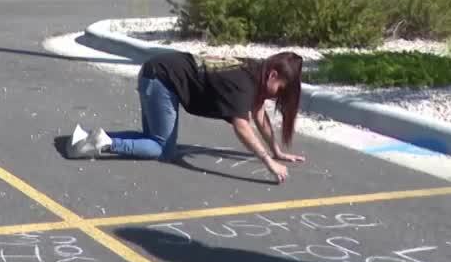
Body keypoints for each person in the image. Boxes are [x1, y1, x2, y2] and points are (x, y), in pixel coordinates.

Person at [68, 50, 306, 184]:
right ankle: (105, 144)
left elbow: (258, 112)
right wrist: (269, 162)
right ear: (273, 75)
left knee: (152, 139)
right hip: (162, 80)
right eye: (281, 89)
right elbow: (242, 126)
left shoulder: (255, 71)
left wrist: (276, 149)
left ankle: (87, 137)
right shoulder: (244, 83)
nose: (278, 96)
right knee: (162, 149)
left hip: (158, 72)